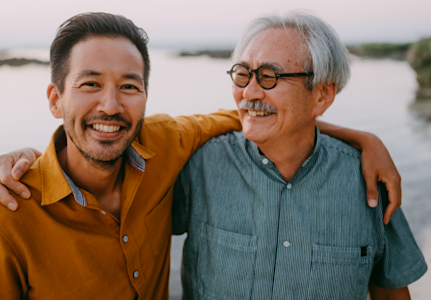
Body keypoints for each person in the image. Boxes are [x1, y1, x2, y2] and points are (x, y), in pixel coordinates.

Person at [0, 11, 403, 300]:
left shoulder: (165, 143)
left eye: (129, 86)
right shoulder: (5, 210)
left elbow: (253, 117)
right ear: (54, 99)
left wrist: (361, 139)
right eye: (88, 84)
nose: (109, 106)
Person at [172, 12, 427, 300]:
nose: (249, 91)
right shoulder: (199, 166)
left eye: (269, 76)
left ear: (322, 95)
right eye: (243, 74)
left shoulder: (369, 182)